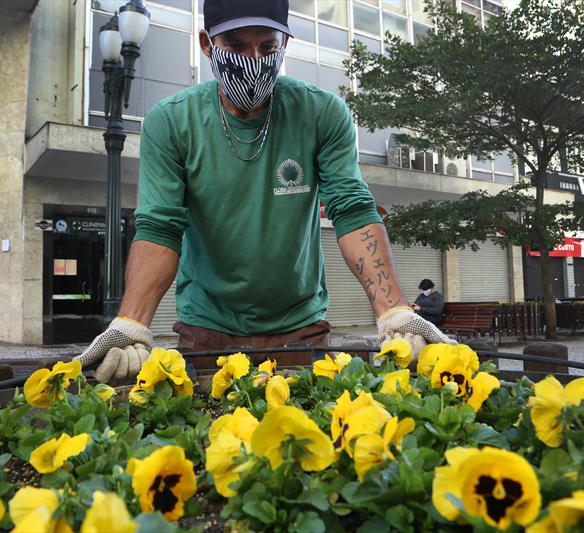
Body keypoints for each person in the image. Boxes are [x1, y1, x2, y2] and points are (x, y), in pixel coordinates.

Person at [75, 0, 454, 382]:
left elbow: (352, 209)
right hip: (208, 330)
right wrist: (131, 322)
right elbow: (160, 227)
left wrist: (394, 311)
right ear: (207, 44)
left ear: (284, 44)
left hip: (301, 327)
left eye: (267, 47)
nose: (253, 59)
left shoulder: (321, 113)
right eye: (237, 45)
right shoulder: (172, 121)